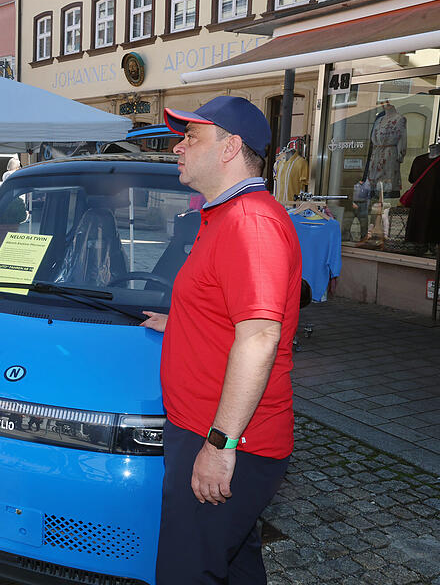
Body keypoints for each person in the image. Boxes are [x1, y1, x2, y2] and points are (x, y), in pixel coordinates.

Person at [141, 96, 301, 584]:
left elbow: (258, 337)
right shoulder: (226, 215)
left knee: (187, 571)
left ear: (231, 148)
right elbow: (233, 312)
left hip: (227, 436)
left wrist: (220, 445)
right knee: (236, 564)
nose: (178, 148)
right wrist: (182, 321)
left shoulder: (250, 223)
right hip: (208, 427)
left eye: (192, 137)